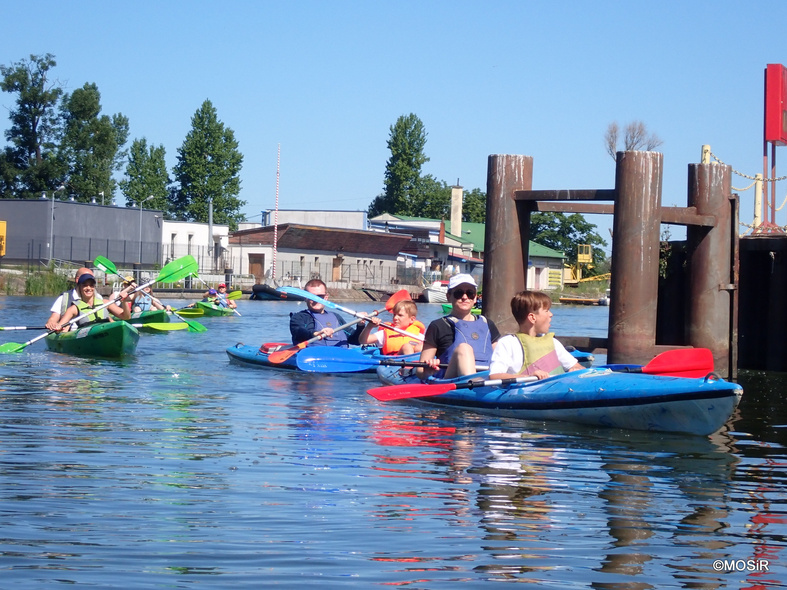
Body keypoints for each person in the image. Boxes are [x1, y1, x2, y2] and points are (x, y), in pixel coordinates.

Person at [417, 273, 501, 380]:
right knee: (464, 348)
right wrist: (427, 371)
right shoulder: (438, 326)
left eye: (470, 293)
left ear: (475, 298)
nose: (465, 297)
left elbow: (500, 358)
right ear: (448, 297)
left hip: (488, 381)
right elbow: (420, 371)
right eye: (459, 293)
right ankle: (475, 385)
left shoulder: (488, 324)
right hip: (451, 381)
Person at [488, 290, 582, 380]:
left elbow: (577, 367)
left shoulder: (553, 343)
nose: (551, 314)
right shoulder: (508, 343)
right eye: (546, 310)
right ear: (532, 317)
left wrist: (575, 370)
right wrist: (528, 377)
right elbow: (495, 375)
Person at [289, 279, 365, 347]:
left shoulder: (336, 317)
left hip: (341, 356)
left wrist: (360, 325)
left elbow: (356, 340)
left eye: (320, 296)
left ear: (326, 297)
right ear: (305, 297)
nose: (316, 300)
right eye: (312, 297)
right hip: (314, 355)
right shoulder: (299, 317)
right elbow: (298, 332)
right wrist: (316, 333)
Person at [54, 272, 132, 331]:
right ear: (79, 287)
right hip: (87, 337)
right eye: (85, 285)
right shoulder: (74, 308)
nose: (88, 288)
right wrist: (58, 328)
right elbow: (61, 328)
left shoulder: (105, 303)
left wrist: (124, 302)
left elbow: (126, 317)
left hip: (106, 333)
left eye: (91, 285)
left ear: (94, 287)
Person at [358, 299, 425, 356]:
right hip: (392, 363)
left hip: (414, 362)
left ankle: (414, 369)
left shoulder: (419, 336)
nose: (395, 318)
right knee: (407, 347)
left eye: (400, 315)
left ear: (412, 319)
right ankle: (409, 369)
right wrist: (369, 327)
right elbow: (363, 341)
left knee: (421, 347)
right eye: (394, 315)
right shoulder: (385, 332)